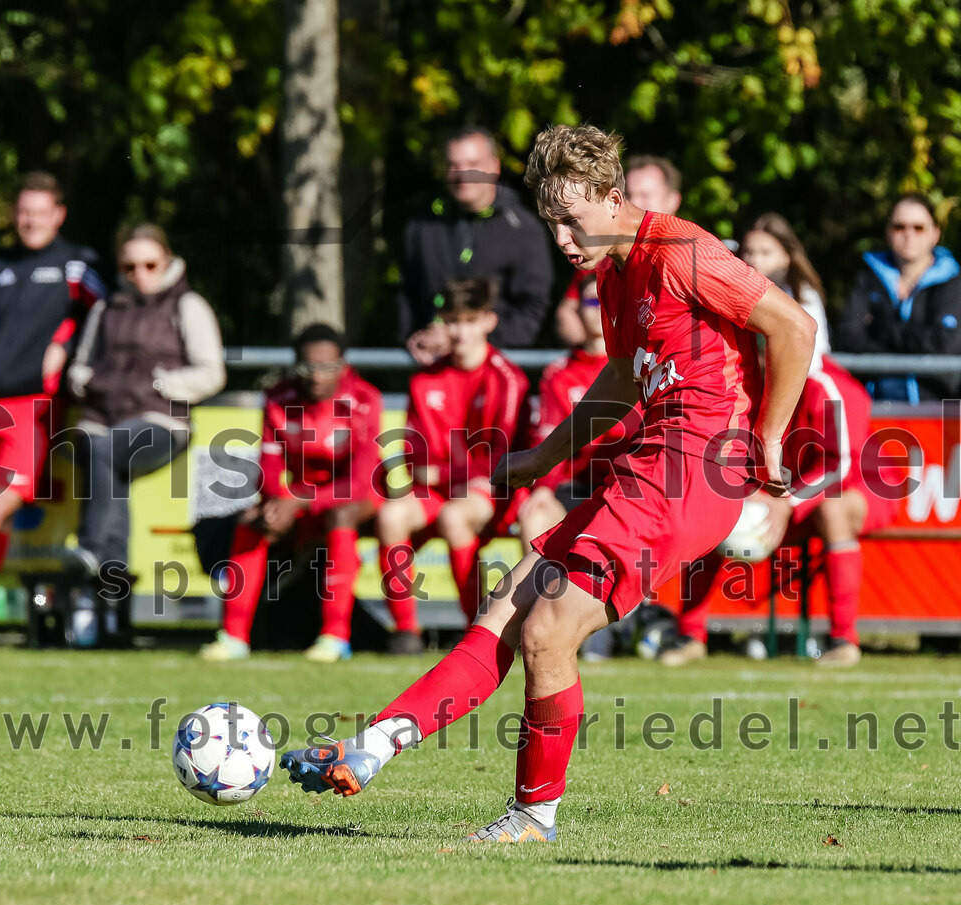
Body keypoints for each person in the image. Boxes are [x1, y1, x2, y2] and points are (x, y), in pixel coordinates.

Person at [277, 124, 815, 843]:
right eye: (550, 220)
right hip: (649, 464)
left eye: (572, 217)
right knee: (507, 606)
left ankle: (535, 815)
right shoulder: (612, 271)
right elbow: (622, 381)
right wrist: (541, 457)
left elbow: (793, 326)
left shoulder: (683, 250)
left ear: (613, 197)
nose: (561, 237)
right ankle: (372, 747)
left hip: (695, 469)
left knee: (549, 626)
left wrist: (770, 439)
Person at [0, 172, 105, 649]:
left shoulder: (77, 264)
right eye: (24, 211)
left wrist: (67, 343)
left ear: (59, 214)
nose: (31, 220)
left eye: (40, 211)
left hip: (34, 406)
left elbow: (105, 313)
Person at [662, 355, 901, 668]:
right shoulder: (744, 378)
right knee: (715, 509)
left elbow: (837, 467)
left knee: (833, 512)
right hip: (787, 490)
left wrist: (786, 503)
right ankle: (690, 635)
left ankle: (844, 640)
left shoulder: (828, 385)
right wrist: (747, 493)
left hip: (862, 484)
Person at [200, 325, 383, 663]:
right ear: (295, 365)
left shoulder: (363, 399)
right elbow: (268, 466)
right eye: (307, 367)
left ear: (343, 365)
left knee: (339, 513)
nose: (317, 377)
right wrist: (277, 502)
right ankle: (233, 636)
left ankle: (335, 636)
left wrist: (297, 500)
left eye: (327, 367)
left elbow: (361, 481)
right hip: (298, 498)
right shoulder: (279, 398)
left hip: (355, 501)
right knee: (254, 520)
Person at [377, 277, 529, 655]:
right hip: (444, 488)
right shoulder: (425, 380)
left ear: (488, 321)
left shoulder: (507, 379)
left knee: (455, 517)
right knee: (390, 517)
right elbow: (416, 458)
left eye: (469, 319)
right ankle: (405, 633)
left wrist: (449, 474)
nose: (460, 330)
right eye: (452, 320)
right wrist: (448, 475)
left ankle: (475, 632)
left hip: (495, 491)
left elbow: (501, 459)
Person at [66, 223, 225, 581]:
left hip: (161, 421)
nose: (140, 274)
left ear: (167, 260)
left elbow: (212, 372)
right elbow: (81, 364)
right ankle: (112, 578)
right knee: (105, 458)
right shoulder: (105, 307)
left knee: (105, 451)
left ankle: (91, 548)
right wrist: (84, 380)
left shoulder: (188, 305)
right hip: (101, 416)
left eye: (150, 265)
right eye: (129, 267)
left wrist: (161, 383)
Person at [398, 127, 553, 364]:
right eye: (453, 165)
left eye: (472, 163)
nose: (462, 174)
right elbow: (405, 292)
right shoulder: (422, 225)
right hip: (431, 369)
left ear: (494, 166)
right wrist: (413, 335)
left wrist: (470, 339)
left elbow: (533, 308)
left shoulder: (523, 229)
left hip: (495, 371)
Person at [518, 275, 633, 549]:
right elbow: (546, 438)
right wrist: (543, 488)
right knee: (535, 515)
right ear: (578, 309)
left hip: (629, 490)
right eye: (591, 301)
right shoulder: (559, 375)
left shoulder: (641, 367)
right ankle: (538, 593)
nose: (599, 308)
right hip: (574, 490)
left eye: (606, 299)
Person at [837, 194, 961, 402]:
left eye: (918, 227)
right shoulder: (867, 278)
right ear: (888, 232)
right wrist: (915, 345)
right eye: (899, 227)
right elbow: (848, 339)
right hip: (874, 409)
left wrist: (882, 328)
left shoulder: (953, 281)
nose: (908, 234)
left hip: (937, 411)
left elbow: (945, 345)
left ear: (935, 233)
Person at [555, 155, 682, 346]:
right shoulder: (604, 259)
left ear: (673, 200)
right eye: (629, 195)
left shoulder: (694, 254)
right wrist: (599, 347)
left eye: (645, 195)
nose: (635, 203)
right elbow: (567, 313)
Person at [738, 213, 831, 373]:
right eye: (748, 251)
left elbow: (813, 359)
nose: (754, 260)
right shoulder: (739, 293)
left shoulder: (803, 294)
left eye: (765, 252)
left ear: (787, 255)